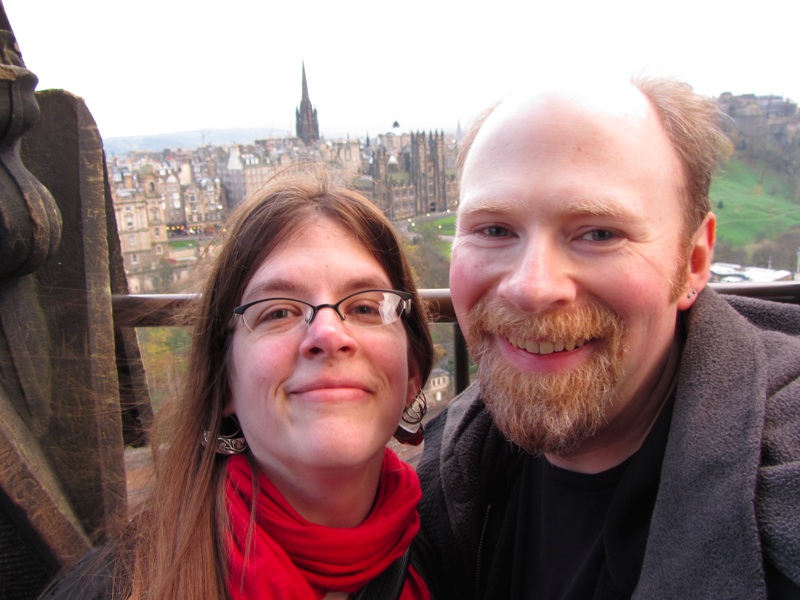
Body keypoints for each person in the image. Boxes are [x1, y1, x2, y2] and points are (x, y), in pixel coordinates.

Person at [416, 76, 800, 599]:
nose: (532, 287)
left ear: (693, 262)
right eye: (494, 229)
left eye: (599, 233)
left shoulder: (779, 484)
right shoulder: (448, 472)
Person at [42, 172, 435, 599]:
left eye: (365, 306)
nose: (328, 333)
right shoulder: (115, 588)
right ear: (225, 380)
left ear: (412, 371)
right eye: (278, 312)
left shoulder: (462, 554)